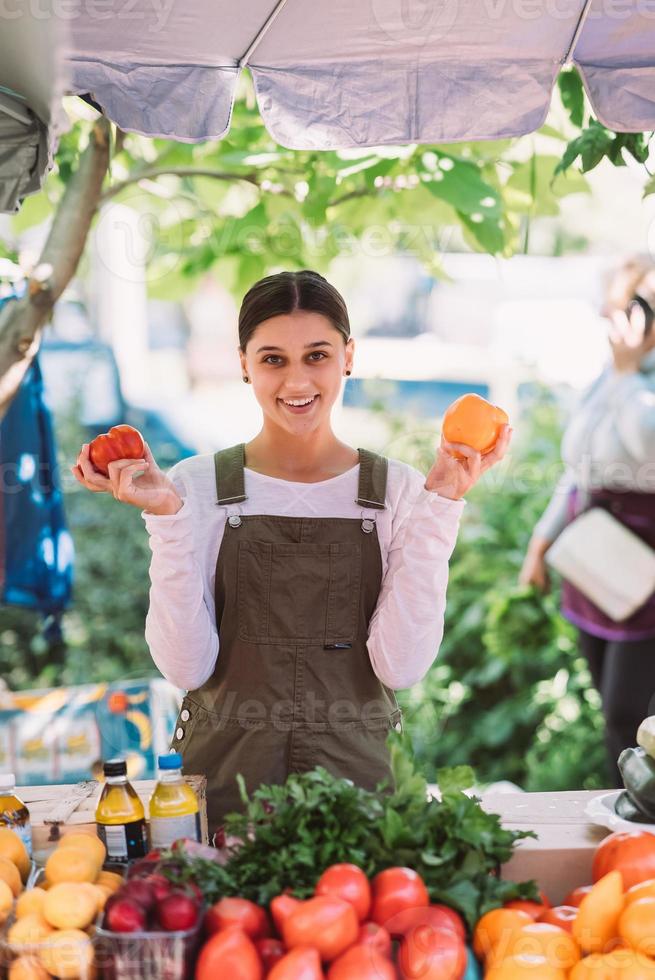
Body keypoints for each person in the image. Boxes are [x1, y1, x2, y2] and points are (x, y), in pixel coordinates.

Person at [72, 270, 511, 831]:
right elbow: (187, 666)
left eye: (317, 355)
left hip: (361, 792)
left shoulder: (401, 492)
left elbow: (399, 667)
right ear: (243, 363)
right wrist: (166, 519)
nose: (296, 379)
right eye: (273, 358)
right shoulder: (194, 487)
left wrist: (443, 502)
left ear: (349, 356)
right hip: (223, 788)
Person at [520, 258, 655, 787]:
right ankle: (627, 816)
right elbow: (579, 469)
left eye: (628, 307)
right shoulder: (608, 375)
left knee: (630, 712)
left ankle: (641, 826)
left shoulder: (627, 378)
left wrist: (626, 374)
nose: (611, 318)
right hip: (597, 555)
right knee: (611, 707)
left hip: (644, 562)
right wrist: (541, 541)